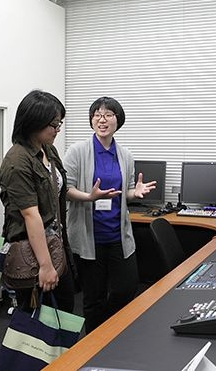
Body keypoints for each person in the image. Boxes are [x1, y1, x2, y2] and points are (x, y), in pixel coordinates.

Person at [64, 96, 156, 333]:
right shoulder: (77, 151)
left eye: (108, 115)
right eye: (97, 115)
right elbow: (65, 190)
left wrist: (135, 193)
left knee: (126, 287)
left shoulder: (125, 155)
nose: (102, 120)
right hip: (90, 236)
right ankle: (95, 341)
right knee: (93, 296)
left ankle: (109, 329)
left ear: (118, 120)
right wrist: (90, 197)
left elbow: (124, 193)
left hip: (118, 235)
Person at [0, 90, 75, 313]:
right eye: (54, 125)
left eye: (59, 124)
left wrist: (91, 197)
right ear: (35, 122)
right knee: (37, 319)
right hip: (32, 252)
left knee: (64, 311)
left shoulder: (48, 150)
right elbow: (30, 215)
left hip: (55, 243)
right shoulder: (17, 161)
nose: (58, 130)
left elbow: (57, 191)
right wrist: (45, 265)